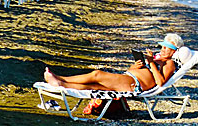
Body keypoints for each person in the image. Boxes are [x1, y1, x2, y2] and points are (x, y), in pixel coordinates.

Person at [43, 33, 185, 93]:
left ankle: (60, 78)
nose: (163, 49)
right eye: (163, 46)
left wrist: (151, 63)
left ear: (174, 51)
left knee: (97, 74)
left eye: (167, 48)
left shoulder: (169, 64)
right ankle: (61, 84)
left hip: (134, 84)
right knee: (94, 86)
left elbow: (160, 82)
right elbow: (141, 71)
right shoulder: (160, 60)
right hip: (130, 78)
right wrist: (136, 66)